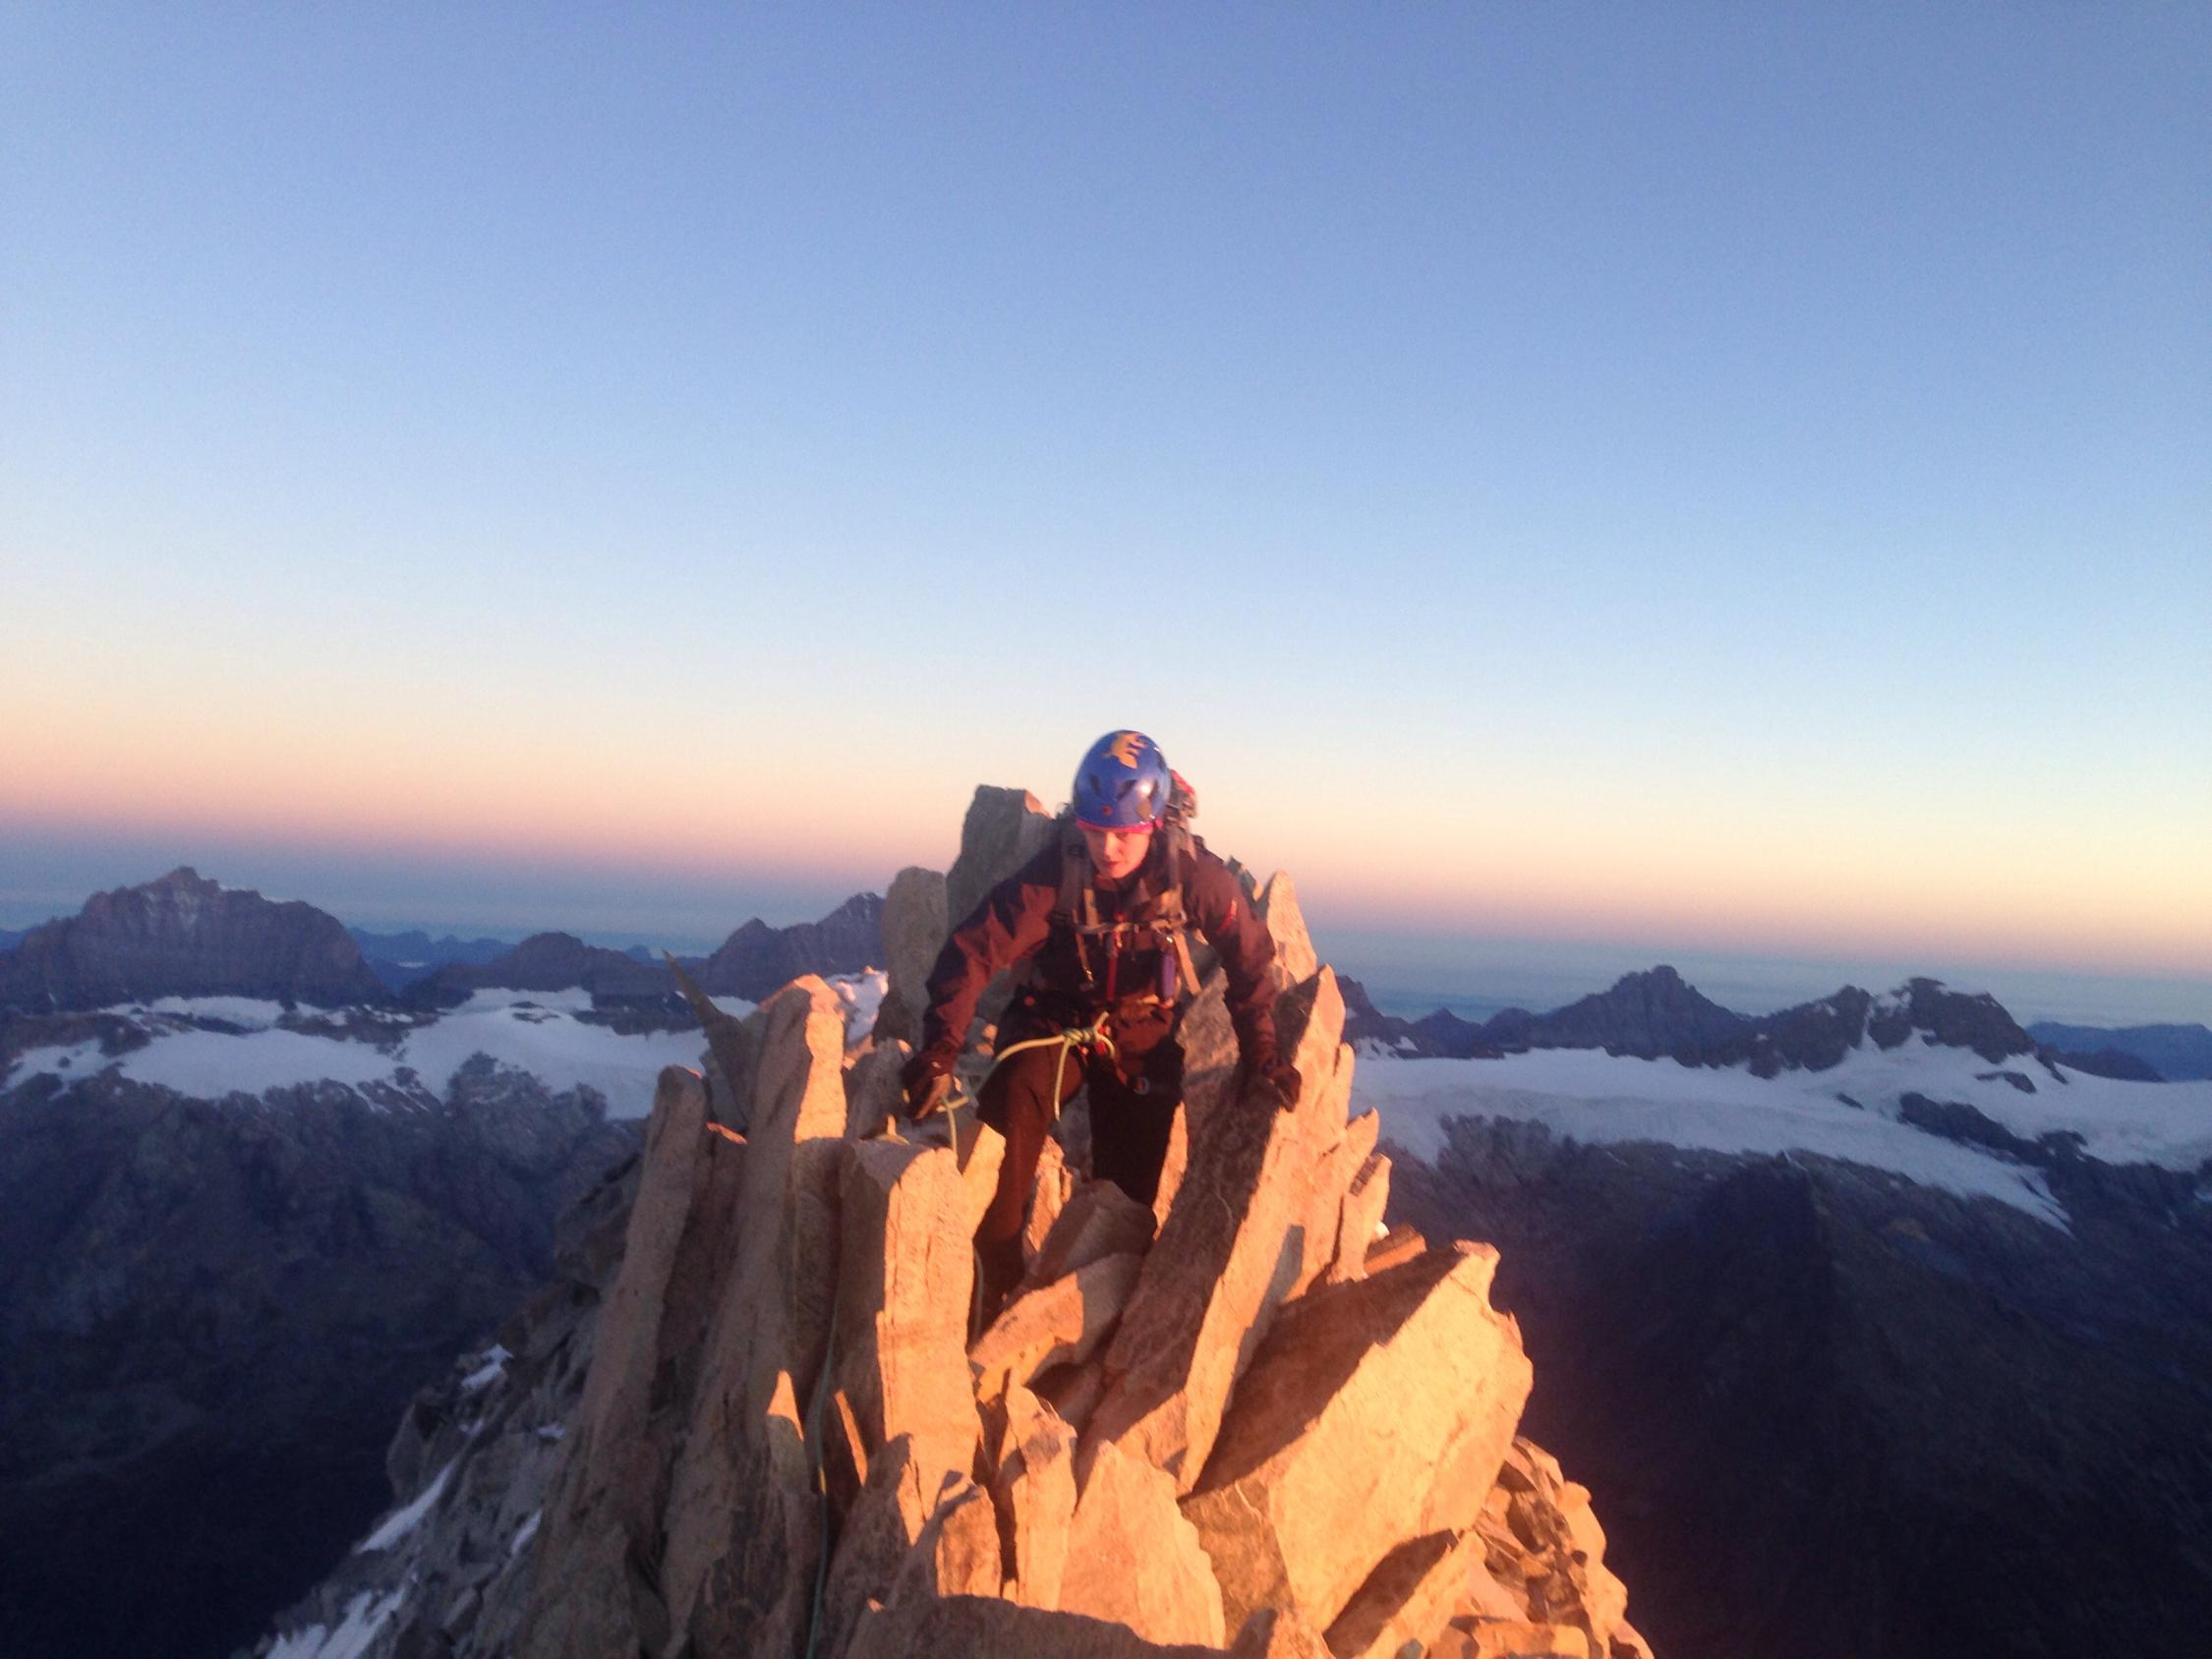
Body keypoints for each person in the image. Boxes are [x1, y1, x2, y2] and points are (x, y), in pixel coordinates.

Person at [901, 729, 1302, 1315]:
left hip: (1141, 1030)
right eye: (1094, 831)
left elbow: (1249, 958)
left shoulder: (1193, 875)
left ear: (1154, 825)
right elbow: (975, 950)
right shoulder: (1056, 873)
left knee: (1126, 1198)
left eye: (1123, 834)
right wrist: (940, 1048)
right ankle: (991, 1279)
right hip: (1052, 1019)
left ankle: (1095, 1308)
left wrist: (1261, 1052)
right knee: (1010, 1119)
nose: (1107, 848)